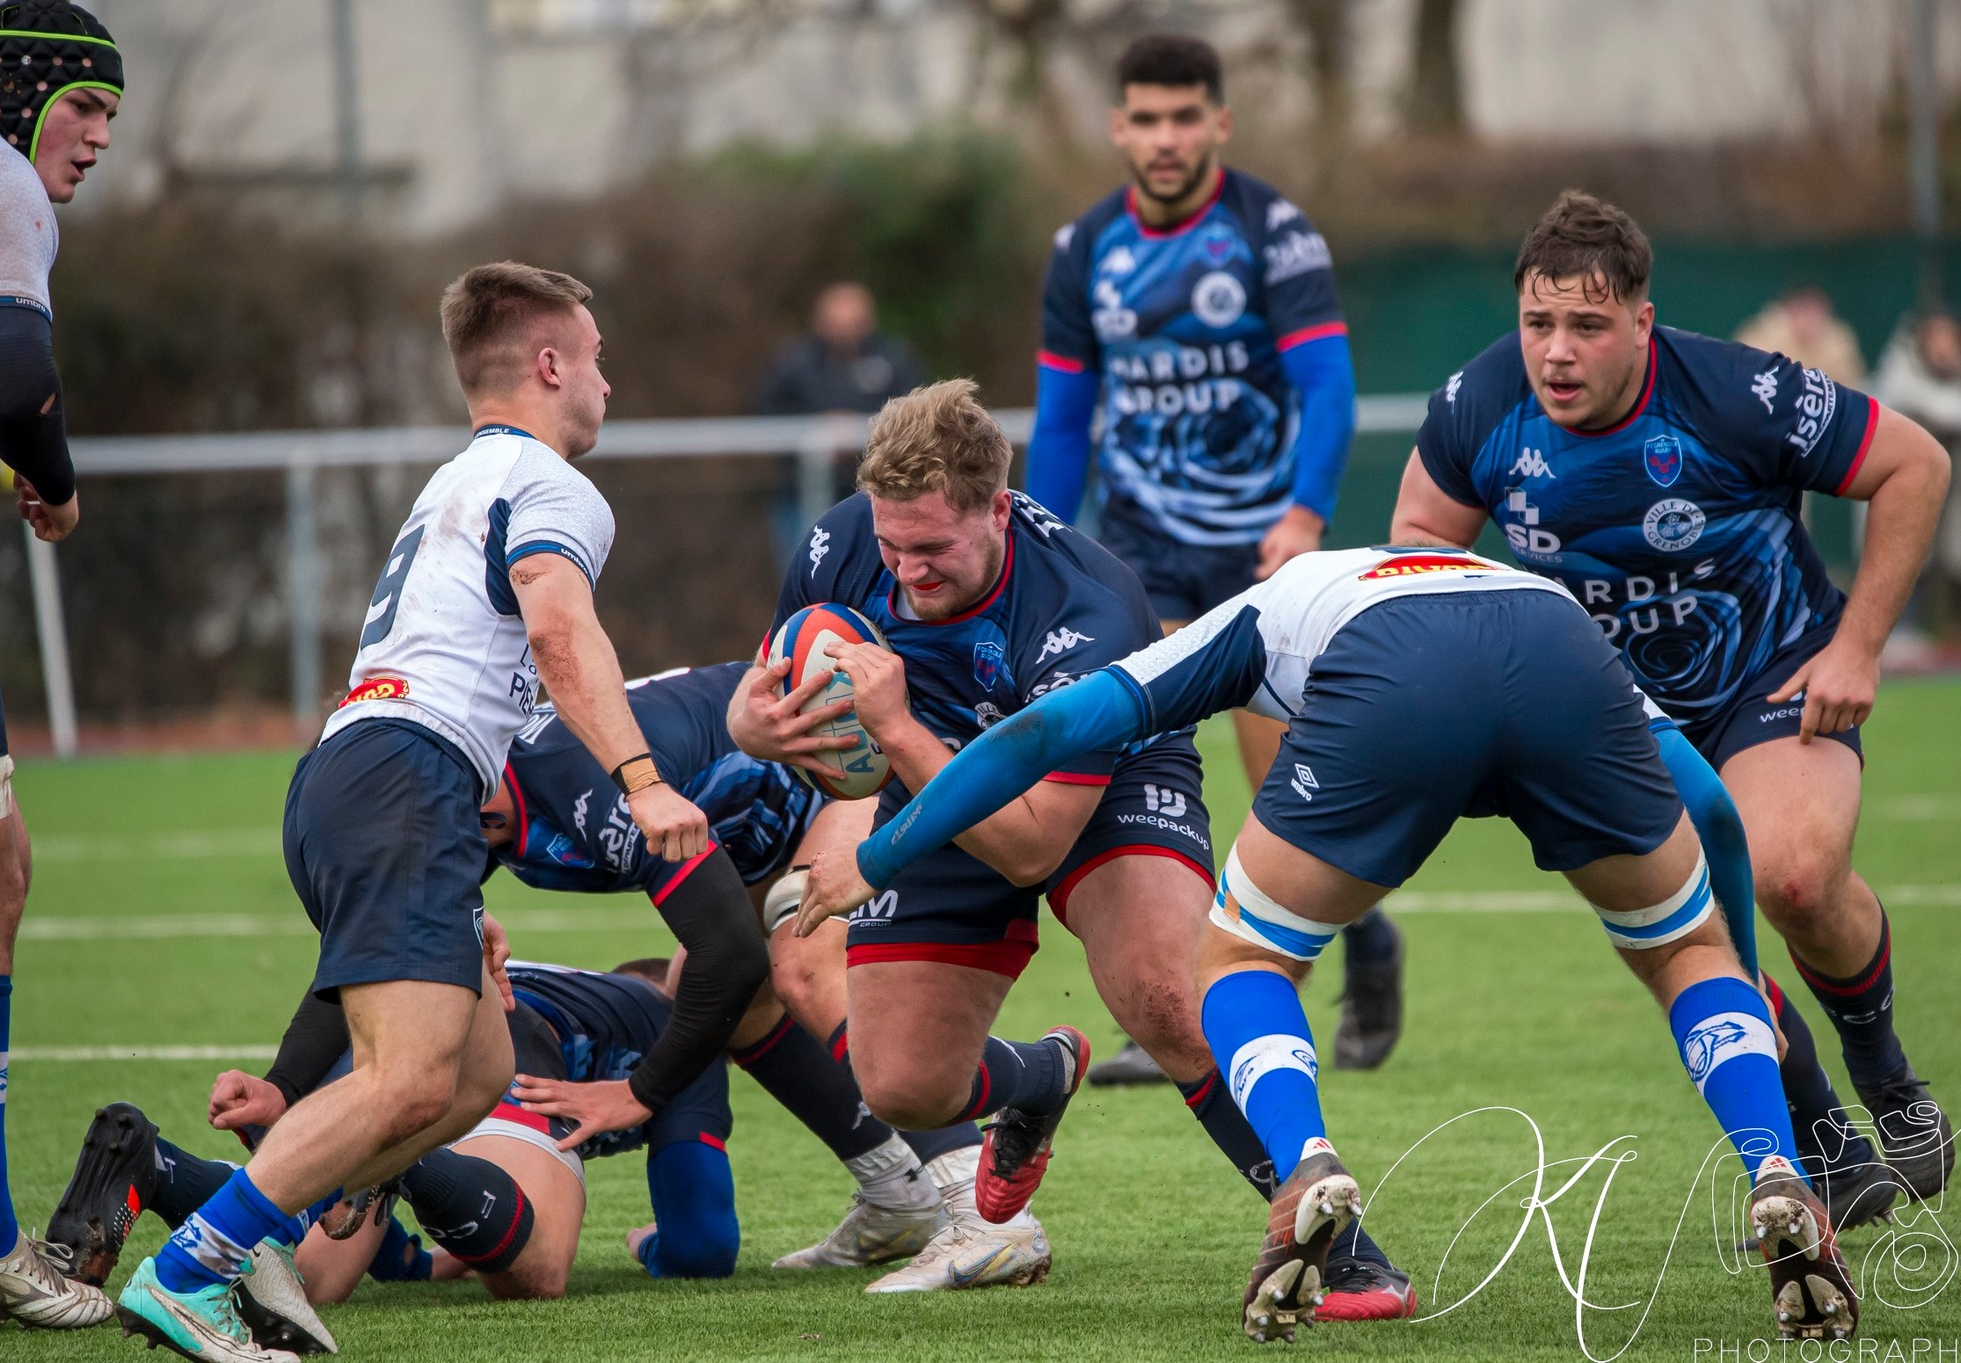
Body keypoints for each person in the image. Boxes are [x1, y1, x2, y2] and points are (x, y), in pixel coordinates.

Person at [799, 546, 1861, 1344]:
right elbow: (1716, 814)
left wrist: (881, 854)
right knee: (1684, 959)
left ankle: (1304, 1159)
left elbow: (1043, 733)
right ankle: (1773, 1165)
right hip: (1560, 659)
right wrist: (1737, 968)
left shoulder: (1266, 609)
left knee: (1240, 963)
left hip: (1395, 673)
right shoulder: (1520, 593)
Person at [116, 263, 736, 1363]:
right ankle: (190, 1269)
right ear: (550, 365)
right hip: (405, 780)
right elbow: (558, 631)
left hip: (357, 774)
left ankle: (274, 1224)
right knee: (407, 1076)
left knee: (476, 1073)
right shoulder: (552, 485)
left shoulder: (457, 479)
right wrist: (642, 781)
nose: (609, 382)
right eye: (596, 358)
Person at [729, 380, 1415, 1317]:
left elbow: (1030, 846)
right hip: (932, 780)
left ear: (998, 510)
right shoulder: (841, 542)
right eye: (891, 546)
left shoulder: (1087, 604)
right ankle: (1038, 1074)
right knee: (905, 1086)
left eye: (931, 550)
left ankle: (1345, 1248)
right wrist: (758, 727)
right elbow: (765, 692)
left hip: (1100, 786)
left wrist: (894, 730)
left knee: (1170, 997)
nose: (904, 573)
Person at [1388, 192, 1956, 1208]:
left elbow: (1914, 464)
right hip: (1609, 717)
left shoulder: (1736, 392)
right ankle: (1824, 1142)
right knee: (1686, 934)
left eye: (1585, 325)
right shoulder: (1478, 403)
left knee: (1788, 880)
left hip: (1767, 676)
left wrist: (1858, 647)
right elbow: (1416, 553)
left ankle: (1885, 1078)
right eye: (1536, 323)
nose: (1554, 351)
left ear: (1640, 323)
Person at [1025, 34, 1403, 1081]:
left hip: (1255, 551)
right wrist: (1041, 546)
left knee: (1278, 779)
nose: (1163, 138)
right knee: (1141, 762)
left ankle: (1365, 941)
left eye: (1183, 116)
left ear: (1218, 124)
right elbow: (1064, 422)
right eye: (1144, 118)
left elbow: (1324, 388)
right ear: (1116, 128)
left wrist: (1303, 513)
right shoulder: (1082, 250)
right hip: (1137, 555)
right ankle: (1184, 996)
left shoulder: (1268, 234)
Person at [483, 662, 992, 1285]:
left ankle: (983, 1213)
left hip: (857, 771)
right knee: (738, 1005)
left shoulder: (580, 786)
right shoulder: (483, 801)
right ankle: (900, 1196)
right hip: (767, 826)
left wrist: (640, 1091)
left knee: (797, 966)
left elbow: (729, 955)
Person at [45, 957, 738, 1354]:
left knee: (301, 1278)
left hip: (387, 1034)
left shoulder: (566, 980)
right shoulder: (672, 1026)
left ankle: (157, 1166)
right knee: (539, 1266)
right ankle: (401, 1157)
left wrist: (416, 1263)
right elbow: (705, 1244)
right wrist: (653, 1244)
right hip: (504, 1041)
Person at [0, 0, 123, 1330]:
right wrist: (50, 478)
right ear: (21, 97)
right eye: (89, 107)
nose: (102, 139)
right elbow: (14, 370)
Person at [1873, 308, 1961, 611]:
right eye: (1935, 337)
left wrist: (1948, 404)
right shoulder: (1901, 364)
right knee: (1898, 552)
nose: (1942, 345)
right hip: (1898, 481)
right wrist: (1953, 407)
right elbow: (1896, 394)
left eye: (1950, 338)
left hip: (1955, 482)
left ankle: (1947, 622)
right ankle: (1904, 624)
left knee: (1951, 556)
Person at [754, 282, 927, 417]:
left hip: (882, 455)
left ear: (868, 322)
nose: (844, 335)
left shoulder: (894, 358)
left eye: (853, 325)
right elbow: (765, 406)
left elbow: (917, 406)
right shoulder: (793, 361)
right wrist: (815, 423)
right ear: (819, 323)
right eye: (836, 325)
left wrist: (864, 421)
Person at [1735, 287, 1868, 388]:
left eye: (1813, 312)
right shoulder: (1765, 334)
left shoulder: (1839, 341)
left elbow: (1853, 385)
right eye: (1802, 311)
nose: (1808, 321)